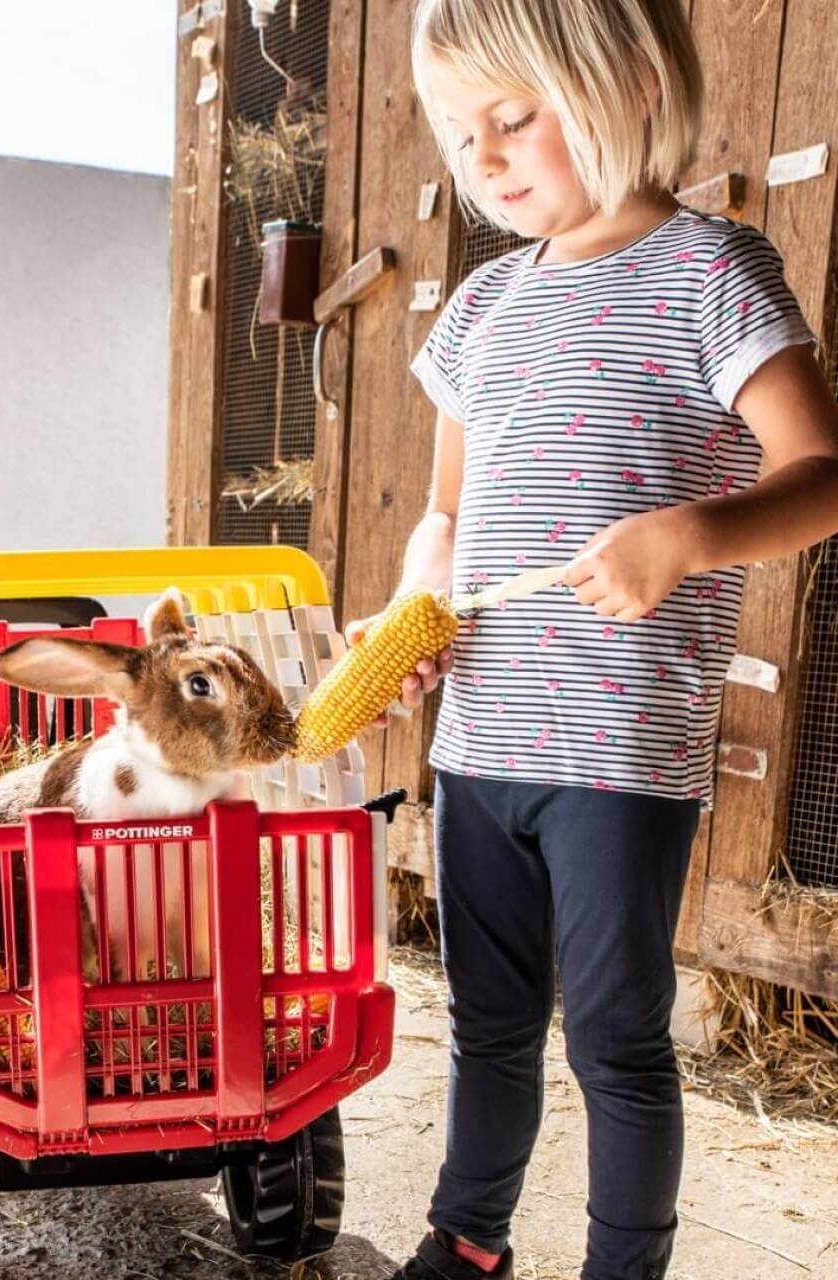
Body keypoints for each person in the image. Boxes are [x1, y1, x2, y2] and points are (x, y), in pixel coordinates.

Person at [347, 3, 838, 1278]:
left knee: (615, 1034)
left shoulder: (711, 271)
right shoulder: (479, 308)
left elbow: (821, 474)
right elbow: (446, 513)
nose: (486, 159)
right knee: (488, 1021)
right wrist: (416, 602)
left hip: (619, 747)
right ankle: (465, 1240)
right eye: (462, 137)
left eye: (513, 119)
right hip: (481, 735)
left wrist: (685, 535)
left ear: (621, 83)